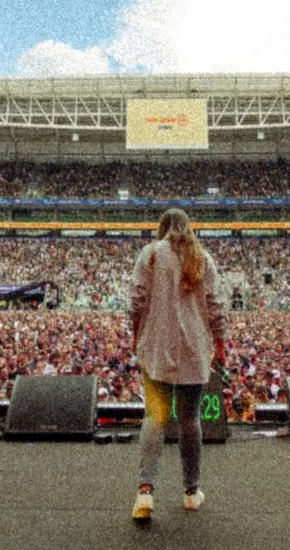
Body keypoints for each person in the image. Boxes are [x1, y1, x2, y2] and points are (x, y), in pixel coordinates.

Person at [128, 207, 227, 523]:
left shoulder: (150, 254)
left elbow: (136, 301)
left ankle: (145, 491)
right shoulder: (203, 258)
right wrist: (220, 343)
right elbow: (215, 306)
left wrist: (136, 336)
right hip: (193, 349)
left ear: (163, 227)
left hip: (157, 347)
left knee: (154, 418)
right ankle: (191, 491)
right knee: (190, 420)